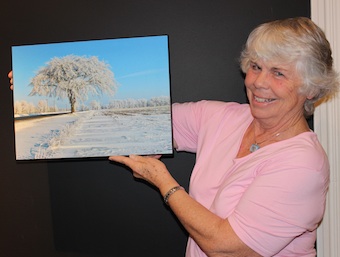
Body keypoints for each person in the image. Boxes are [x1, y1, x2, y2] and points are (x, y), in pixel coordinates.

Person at [8, 17, 339, 257]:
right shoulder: (224, 117)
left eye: (278, 73)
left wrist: (162, 181)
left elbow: (228, 247)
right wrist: (34, 81)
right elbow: (146, 121)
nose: (258, 82)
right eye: (255, 66)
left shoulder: (302, 164)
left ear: (309, 87)